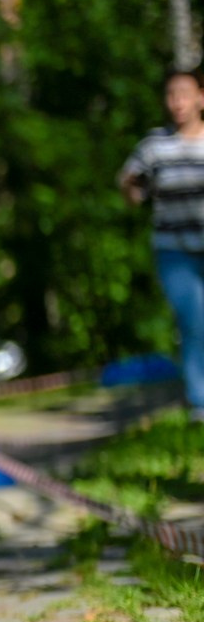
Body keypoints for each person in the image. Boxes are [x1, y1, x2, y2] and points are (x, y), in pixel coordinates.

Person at [121, 68, 204, 420]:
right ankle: (201, 402)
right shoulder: (155, 146)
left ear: (200, 98)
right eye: (171, 95)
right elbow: (130, 184)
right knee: (195, 320)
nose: (177, 102)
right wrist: (132, 189)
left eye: (184, 94)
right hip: (174, 250)